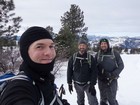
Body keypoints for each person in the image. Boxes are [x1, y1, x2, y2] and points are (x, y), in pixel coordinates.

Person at [0, 26, 69, 105]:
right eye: (39, 47)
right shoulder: (19, 89)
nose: (49, 53)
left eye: (51, 46)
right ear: (26, 52)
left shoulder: (44, 79)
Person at [67, 40, 98, 105]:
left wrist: (92, 84)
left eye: (83, 45)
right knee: (80, 101)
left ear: (86, 47)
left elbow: (94, 71)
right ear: (78, 46)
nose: (82, 47)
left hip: (88, 84)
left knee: (93, 101)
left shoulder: (90, 57)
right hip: (77, 84)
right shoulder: (73, 57)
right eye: (80, 45)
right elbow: (69, 70)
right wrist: (69, 83)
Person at [95, 38, 124, 105]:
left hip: (112, 79)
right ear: (100, 45)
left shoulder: (114, 53)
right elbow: (94, 67)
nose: (103, 45)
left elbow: (121, 65)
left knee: (112, 98)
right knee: (103, 98)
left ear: (108, 44)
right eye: (102, 44)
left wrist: (113, 74)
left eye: (105, 44)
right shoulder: (98, 54)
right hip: (101, 80)